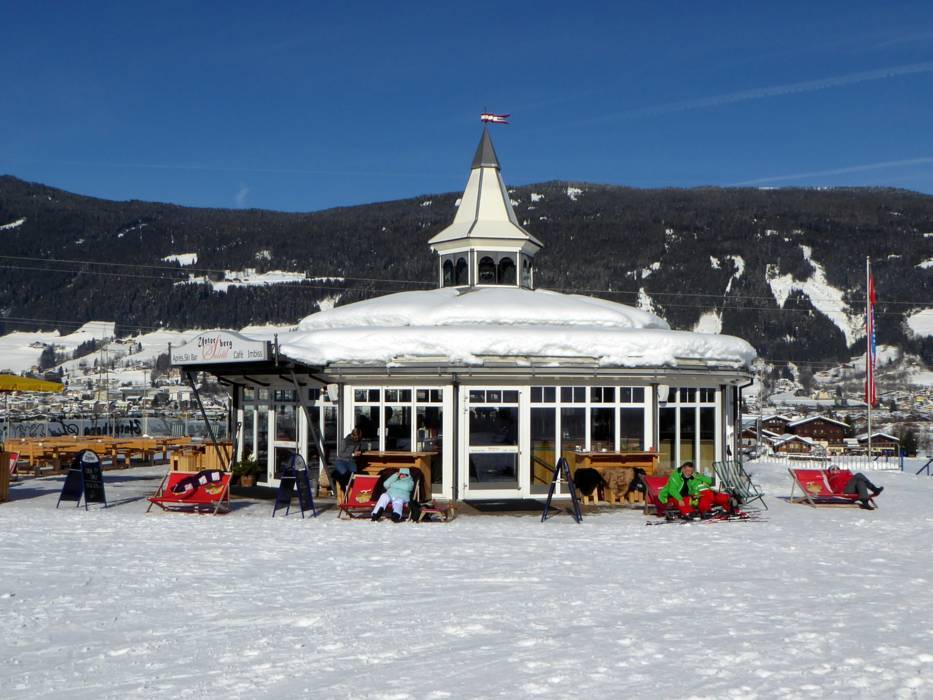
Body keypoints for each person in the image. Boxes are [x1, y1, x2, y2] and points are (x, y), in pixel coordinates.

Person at [658, 461, 735, 519]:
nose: (689, 473)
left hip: (692, 495)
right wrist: (679, 499)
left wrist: (698, 476)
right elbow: (672, 490)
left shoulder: (693, 476)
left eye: (691, 471)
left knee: (710, 494)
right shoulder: (675, 476)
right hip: (672, 496)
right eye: (687, 471)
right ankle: (690, 513)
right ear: (683, 469)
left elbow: (710, 481)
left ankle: (729, 505)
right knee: (685, 500)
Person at [332, 426, 363, 494]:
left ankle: (352, 490)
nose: (356, 439)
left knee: (354, 473)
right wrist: (352, 454)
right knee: (344, 473)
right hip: (341, 460)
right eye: (355, 437)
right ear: (352, 435)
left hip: (350, 460)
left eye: (358, 438)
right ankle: (343, 488)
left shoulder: (358, 442)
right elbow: (340, 454)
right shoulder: (345, 441)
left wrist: (358, 453)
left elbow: (356, 451)